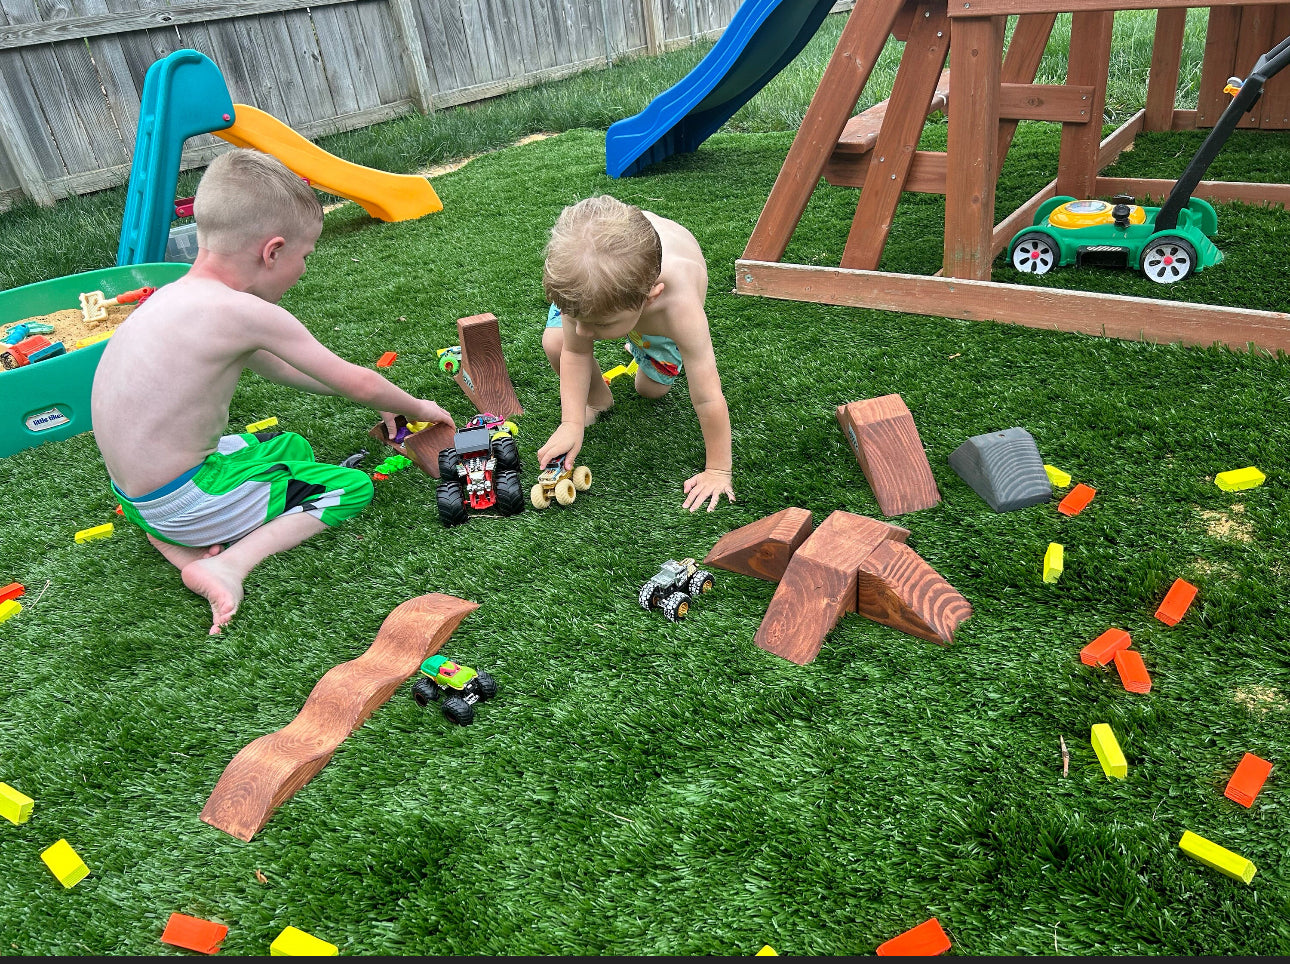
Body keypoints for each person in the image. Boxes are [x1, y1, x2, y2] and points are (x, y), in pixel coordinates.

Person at [91, 148, 452, 635]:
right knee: (348, 487)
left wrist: (373, 399)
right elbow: (357, 380)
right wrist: (414, 406)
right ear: (273, 250)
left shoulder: (176, 296)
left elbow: (285, 370)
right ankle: (228, 564)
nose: (304, 269)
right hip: (184, 500)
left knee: (290, 447)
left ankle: (174, 541)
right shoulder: (245, 313)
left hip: (140, 494)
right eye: (304, 257)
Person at [535, 195, 734, 512]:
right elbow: (575, 350)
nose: (584, 332)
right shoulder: (583, 291)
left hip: (655, 321)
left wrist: (718, 470)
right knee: (557, 342)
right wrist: (570, 422)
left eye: (599, 324)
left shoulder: (679, 309)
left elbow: (708, 395)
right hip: (601, 282)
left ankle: (638, 343)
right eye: (577, 320)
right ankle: (598, 400)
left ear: (650, 297)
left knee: (651, 390)